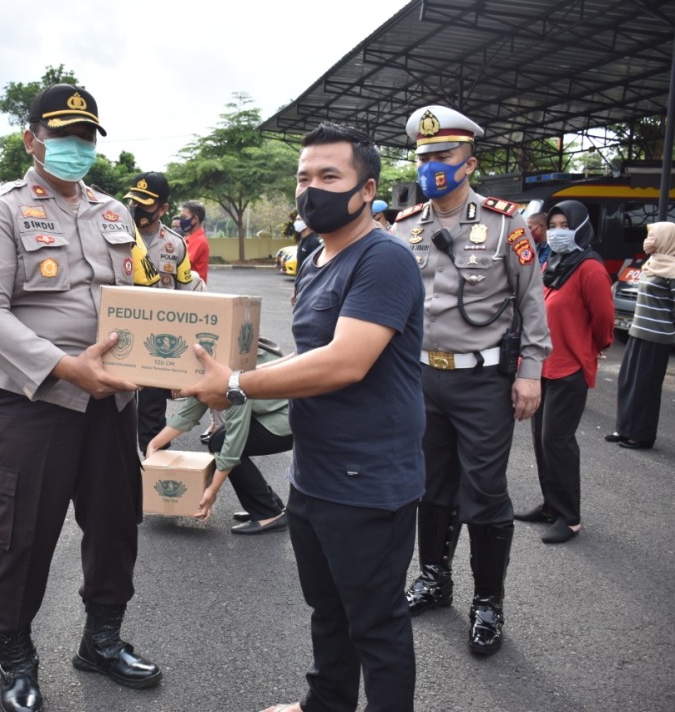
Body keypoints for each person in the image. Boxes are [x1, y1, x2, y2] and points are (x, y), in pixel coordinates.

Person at [181, 122, 424, 712]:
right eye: (303, 177)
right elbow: (312, 353)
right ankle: (326, 705)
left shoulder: (384, 257)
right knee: (329, 609)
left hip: (369, 479)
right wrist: (242, 377)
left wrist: (237, 384)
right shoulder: (317, 254)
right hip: (316, 473)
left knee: (376, 624)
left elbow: (345, 363)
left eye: (329, 177)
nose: (311, 189)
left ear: (367, 190)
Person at [0, 83, 162, 712]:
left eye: (84, 137)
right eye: (62, 135)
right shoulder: (2, 212)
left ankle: (101, 640)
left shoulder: (114, 213)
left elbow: (145, 299)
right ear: (32, 139)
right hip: (34, 399)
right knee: (18, 531)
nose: (74, 148)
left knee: (114, 523)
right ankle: (16, 657)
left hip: (113, 403)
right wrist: (65, 368)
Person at [395, 105, 550, 656]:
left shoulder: (507, 224)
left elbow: (533, 306)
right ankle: (435, 578)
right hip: (421, 380)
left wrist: (530, 374)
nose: (433, 166)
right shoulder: (404, 226)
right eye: (425, 157)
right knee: (429, 485)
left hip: (484, 382)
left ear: (470, 162)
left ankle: (488, 602)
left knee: (483, 493)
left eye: (443, 156)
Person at [517, 200, 613, 543]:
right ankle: (549, 506)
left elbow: (604, 321)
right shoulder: (557, 262)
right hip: (543, 365)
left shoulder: (589, 268)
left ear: (580, 227)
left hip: (569, 367)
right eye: (554, 225)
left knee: (557, 441)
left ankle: (569, 516)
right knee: (542, 442)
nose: (558, 232)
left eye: (564, 225)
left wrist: (591, 348)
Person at [146, 337, 290, 534]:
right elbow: (189, 413)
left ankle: (268, 514)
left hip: (291, 421)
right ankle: (269, 505)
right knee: (219, 441)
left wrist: (211, 491)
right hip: (276, 412)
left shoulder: (232, 379)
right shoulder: (215, 367)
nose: (175, 395)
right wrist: (155, 444)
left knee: (222, 443)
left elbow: (233, 444)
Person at [123, 171, 202, 450]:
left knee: (151, 415)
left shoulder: (175, 244)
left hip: (157, 345)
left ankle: (154, 474)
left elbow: (185, 298)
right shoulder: (116, 235)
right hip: (120, 338)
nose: (137, 209)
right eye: (134, 201)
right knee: (116, 413)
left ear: (163, 208)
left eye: (145, 204)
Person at [607, 220, 675, 449]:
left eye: (653, 236)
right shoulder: (652, 263)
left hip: (656, 336)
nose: (649, 240)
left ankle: (641, 435)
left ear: (666, 239)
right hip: (637, 331)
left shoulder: (672, 269)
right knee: (628, 382)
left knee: (645, 387)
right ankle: (624, 428)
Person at [178, 199, 209, 283]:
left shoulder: (199, 241)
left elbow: (181, 264)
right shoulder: (188, 238)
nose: (181, 220)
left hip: (194, 289)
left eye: (184, 217)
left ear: (195, 219)